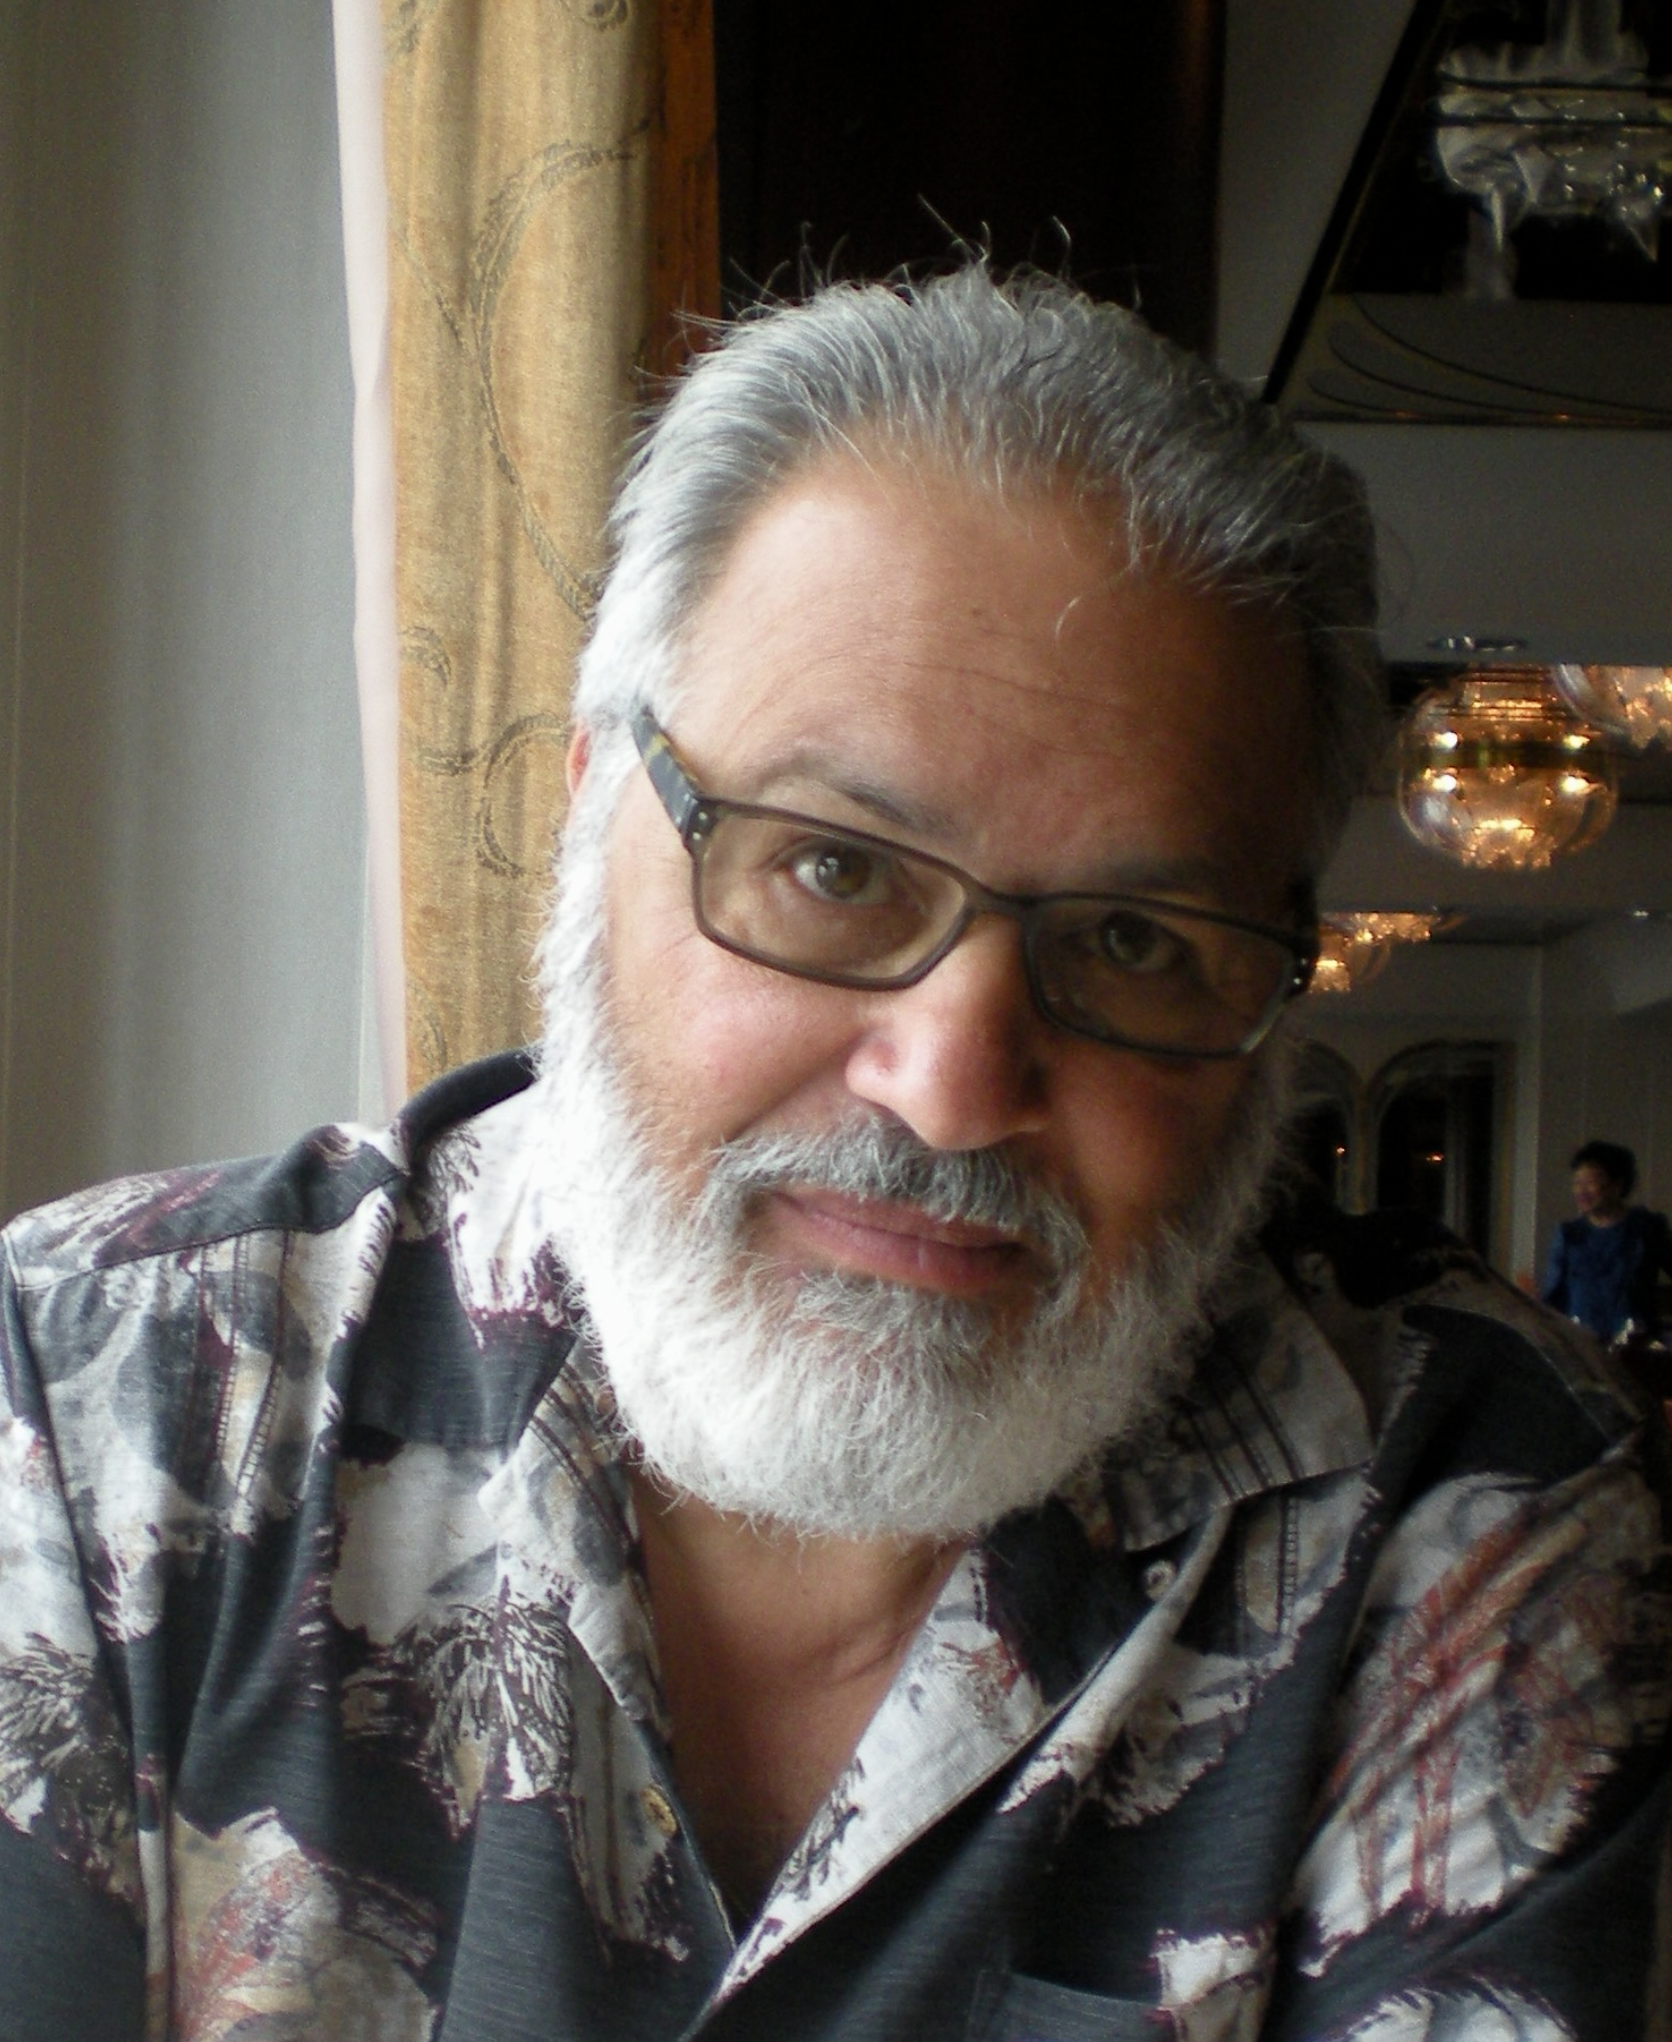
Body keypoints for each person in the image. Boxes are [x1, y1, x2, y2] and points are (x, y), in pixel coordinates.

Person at [1, 267, 1668, 2042]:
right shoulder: (103, 1399)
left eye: (1133, 939)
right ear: (591, 807)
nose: (949, 1086)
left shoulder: (1468, 1504)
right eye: (832, 865)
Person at [1544, 1138, 1672, 1343]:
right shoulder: (1569, 1234)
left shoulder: (1646, 1228)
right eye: (1577, 1183)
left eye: (1590, 1182)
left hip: (1634, 1346)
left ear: (1617, 1185)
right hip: (1581, 1346)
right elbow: (1553, 1299)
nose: (1581, 1191)